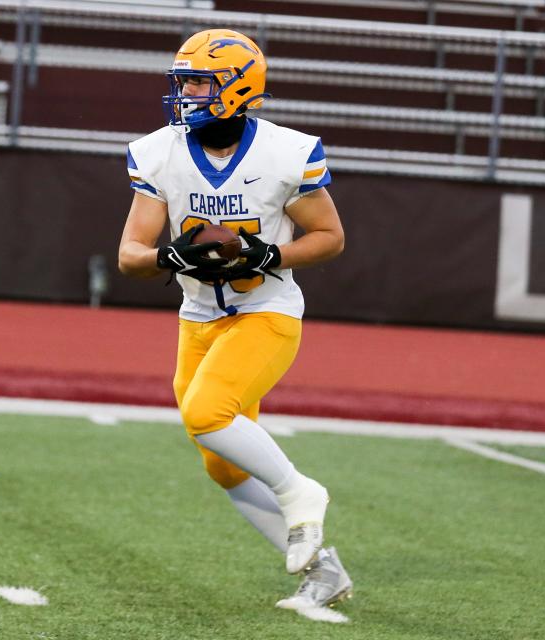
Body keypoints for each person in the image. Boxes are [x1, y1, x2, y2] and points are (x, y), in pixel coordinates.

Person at [117, 28, 353, 610]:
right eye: (184, 81)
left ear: (239, 88)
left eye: (200, 81)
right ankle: (324, 572)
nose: (186, 94)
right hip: (196, 315)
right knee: (221, 464)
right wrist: (173, 257)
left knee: (206, 411)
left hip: (265, 310)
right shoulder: (161, 151)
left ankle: (301, 494)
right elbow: (129, 255)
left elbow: (329, 238)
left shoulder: (283, 153)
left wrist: (269, 253)